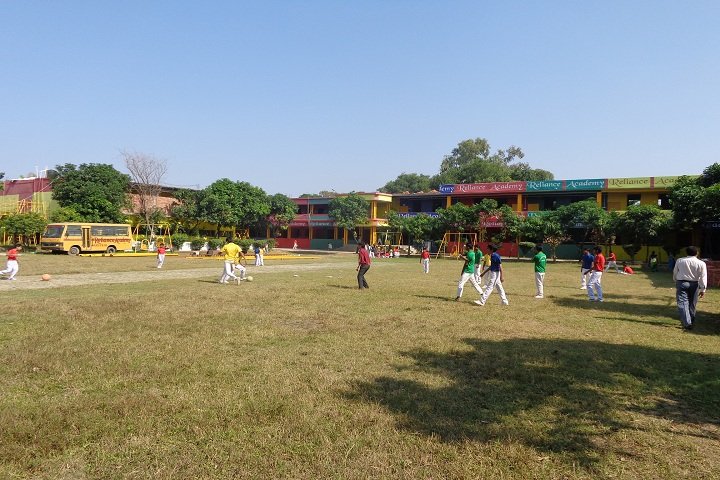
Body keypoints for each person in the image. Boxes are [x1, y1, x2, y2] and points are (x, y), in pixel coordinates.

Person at [672, 246, 707, 330]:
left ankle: (687, 323)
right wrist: (703, 289)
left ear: (686, 253)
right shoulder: (701, 263)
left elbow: (675, 272)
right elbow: (703, 277)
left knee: (682, 303)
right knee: (692, 303)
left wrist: (675, 280)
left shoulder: (680, 260)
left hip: (681, 283)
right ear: (697, 253)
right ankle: (691, 319)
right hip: (694, 284)